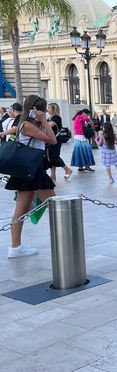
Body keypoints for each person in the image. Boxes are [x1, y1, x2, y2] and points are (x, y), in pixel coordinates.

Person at [5, 95, 57, 258]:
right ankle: (69, 237)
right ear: (33, 109)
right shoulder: (27, 125)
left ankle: (15, 247)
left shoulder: (27, 124)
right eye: (40, 108)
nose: (43, 111)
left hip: (28, 169)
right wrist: (43, 120)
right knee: (55, 206)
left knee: (21, 210)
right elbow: (52, 140)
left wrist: (42, 121)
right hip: (33, 170)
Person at [43, 103, 72, 181]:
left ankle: (67, 169)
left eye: (49, 108)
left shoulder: (56, 117)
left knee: (54, 156)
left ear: (53, 109)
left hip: (55, 139)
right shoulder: (50, 118)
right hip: (51, 140)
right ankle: (53, 175)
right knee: (50, 156)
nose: (47, 109)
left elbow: (48, 126)